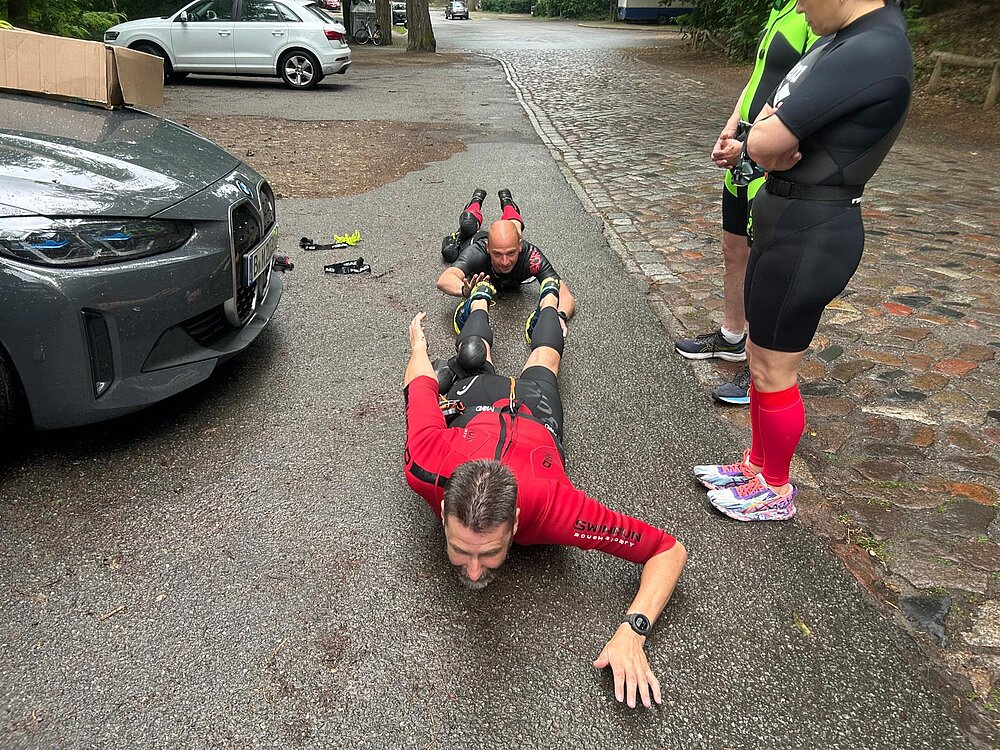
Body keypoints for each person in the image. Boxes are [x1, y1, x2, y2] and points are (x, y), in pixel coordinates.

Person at [403, 280, 686, 709]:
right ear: (442, 509)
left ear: (517, 521)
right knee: (473, 355)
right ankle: (478, 298)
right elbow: (420, 385)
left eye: (490, 552)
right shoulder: (425, 465)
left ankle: (552, 300)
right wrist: (417, 346)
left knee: (545, 358)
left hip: (534, 411)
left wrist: (634, 630)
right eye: (462, 550)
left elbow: (667, 550)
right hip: (479, 405)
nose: (475, 572)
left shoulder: (556, 509)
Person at [696, 0, 913, 521]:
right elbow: (767, 128)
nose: (798, 5)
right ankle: (755, 464)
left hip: (813, 230)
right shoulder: (837, 40)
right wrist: (765, 139)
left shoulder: (872, 46)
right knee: (760, 356)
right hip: (786, 216)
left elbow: (768, 138)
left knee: (774, 370)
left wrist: (766, 138)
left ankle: (775, 486)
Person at [674, 0, 818, 406]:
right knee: (734, 248)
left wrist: (754, 146)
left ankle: (758, 365)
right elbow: (759, 77)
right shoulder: (783, 8)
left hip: (769, 153)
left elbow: (807, 94)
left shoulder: (816, 14)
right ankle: (732, 336)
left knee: (763, 260)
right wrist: (729, 129)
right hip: (744, 144)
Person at [436, 188, 576, 340]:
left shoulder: (531, 256)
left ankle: (508, 204)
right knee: (458, 239)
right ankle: (475, 201)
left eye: (511, 253)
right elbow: (444, 279)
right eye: (497, 254)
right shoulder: (477, 252)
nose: (505, 262)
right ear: (488, 248)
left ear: (520, 246)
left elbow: (565, 294)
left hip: (510, 240)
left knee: (515, 230)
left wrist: (560, 316)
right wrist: (464, 290)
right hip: (472, 238)